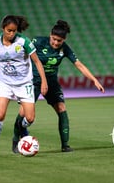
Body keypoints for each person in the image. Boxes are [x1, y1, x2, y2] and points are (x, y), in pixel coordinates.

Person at [12, 19, 105, 153]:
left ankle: (65, 145)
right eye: (54, 39)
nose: (56, 43)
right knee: (25, 114)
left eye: (59, 41)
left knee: (61, 108)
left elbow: (78, 64)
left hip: (52, 84)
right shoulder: (38, 42)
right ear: (50, 35)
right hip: (33, 82)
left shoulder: (65, 49)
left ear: (64, 40)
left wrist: (94, 80)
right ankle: (16, 139)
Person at [0, 15, 48, 157]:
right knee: (0, 115)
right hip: (5, 83)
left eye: (14, 31)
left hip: (24, 83)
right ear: (3, 29)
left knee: (30, 118)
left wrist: (44, 81)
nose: (12, 34)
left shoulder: (24, 42)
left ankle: (22, 128)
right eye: (9, 31)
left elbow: (37, 62)